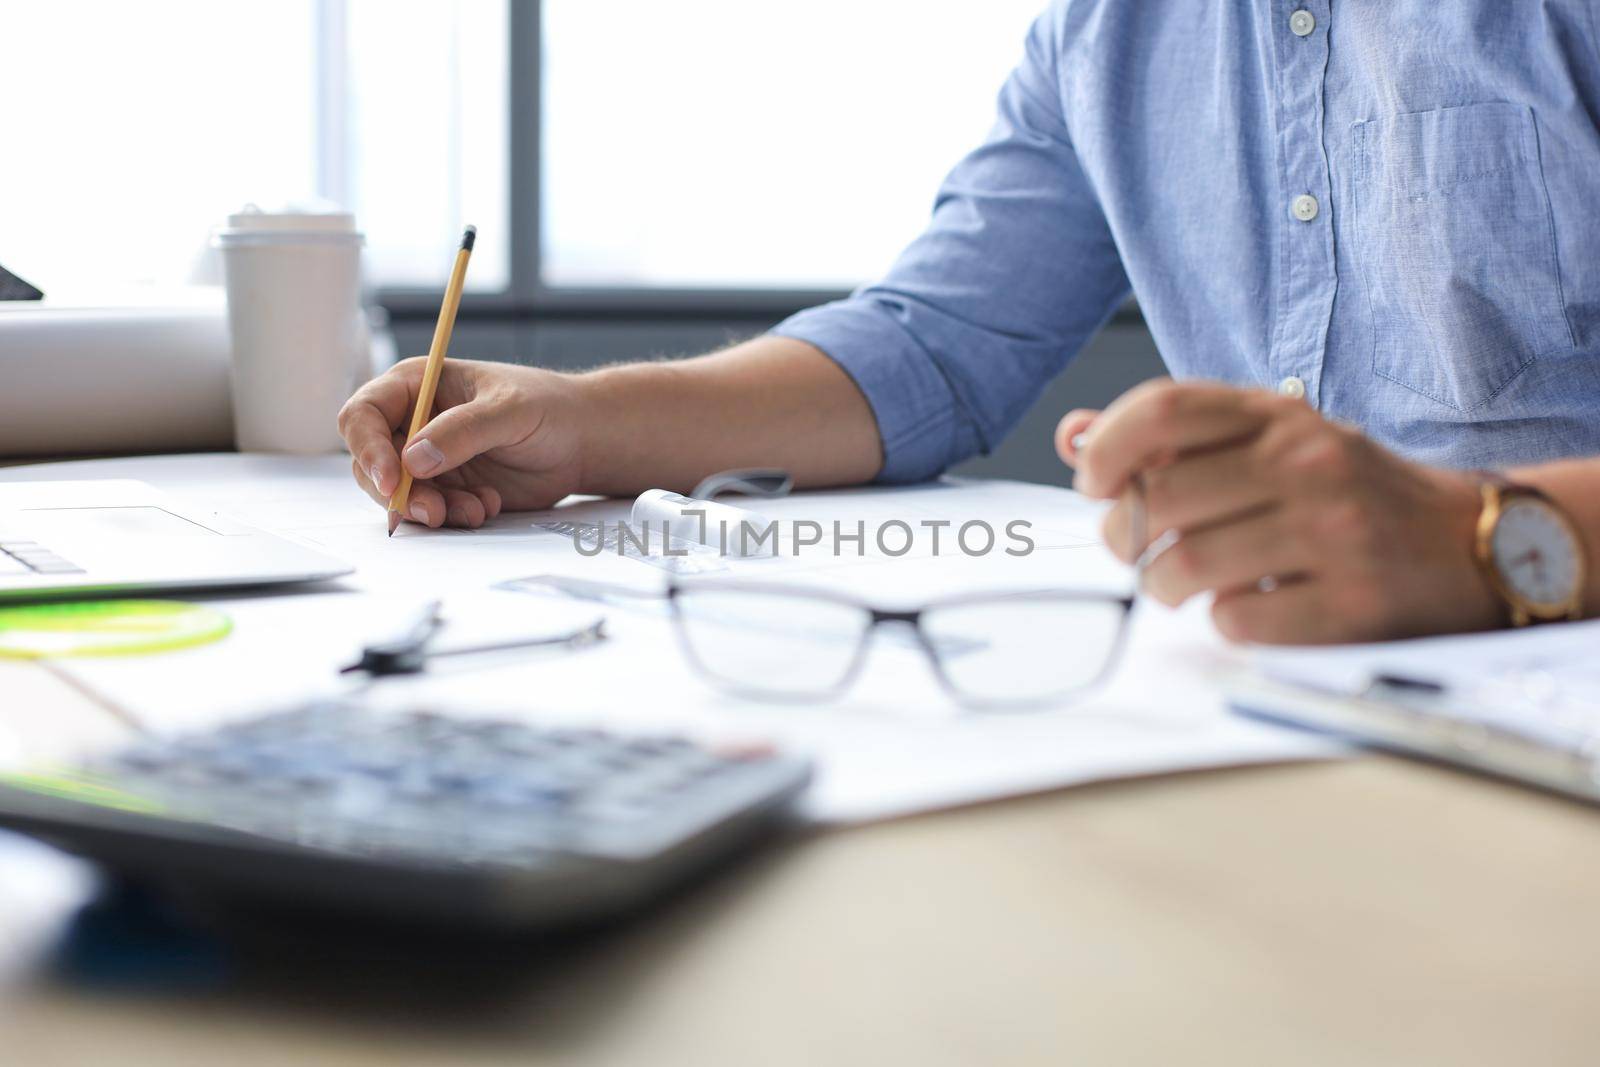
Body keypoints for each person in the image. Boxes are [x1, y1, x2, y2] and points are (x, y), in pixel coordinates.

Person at [340, 1, 1600, 644]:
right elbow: (934, 340)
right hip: (1276, 693)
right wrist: (583, 425)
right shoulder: (1106, 34)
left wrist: (1490, 538)